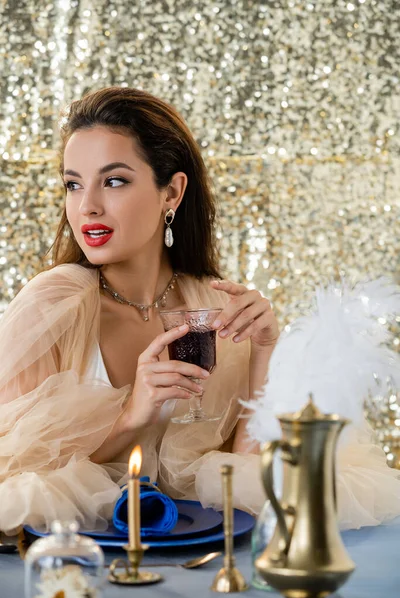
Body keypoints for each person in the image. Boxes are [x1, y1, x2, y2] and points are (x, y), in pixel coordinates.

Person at [0, 87, 279, 535]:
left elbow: (243, 480)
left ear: (171, 192)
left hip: (192, 558)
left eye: (113, 181)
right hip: (80, 563)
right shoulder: (53, 304)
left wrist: (264, 353)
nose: (87, 205)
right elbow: (17, 490)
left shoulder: (211, 307)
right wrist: (134, 415)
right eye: (73, 184)